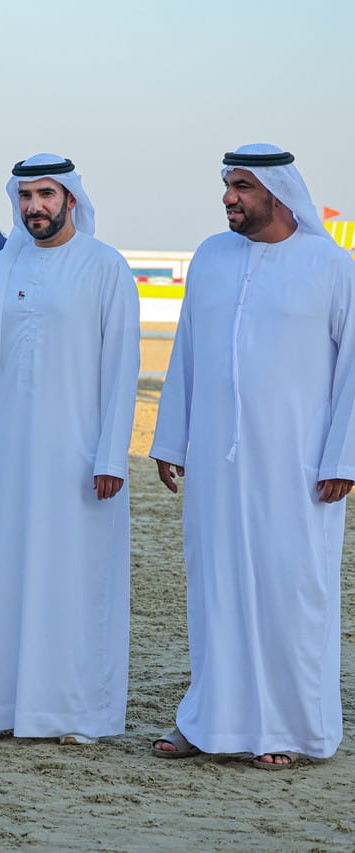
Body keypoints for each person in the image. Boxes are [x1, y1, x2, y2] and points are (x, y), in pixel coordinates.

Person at [150, 144, 355, 769]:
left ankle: (291, 730)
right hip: (215, 461)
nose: (228, 197)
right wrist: (169, 439)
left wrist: (342, 457)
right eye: (226, 184)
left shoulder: (330, 264)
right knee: (215, 588)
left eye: (241, 186)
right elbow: (185, 352)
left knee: (292, 593)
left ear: (277, 192)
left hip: (298, 467)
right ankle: (210, 721)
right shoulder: (212, 257)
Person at [0, 154, 140, 744]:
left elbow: (122, 370)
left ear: (70, 201)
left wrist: (112, 455)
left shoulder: (105, 266)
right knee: (11, 574)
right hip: (10, 454)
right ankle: (11, 708)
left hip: (80, 458)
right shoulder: (3, 265)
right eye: (26, 196)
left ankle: (78, 714)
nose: (35, 206)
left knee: (75, 580)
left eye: (46, 195)